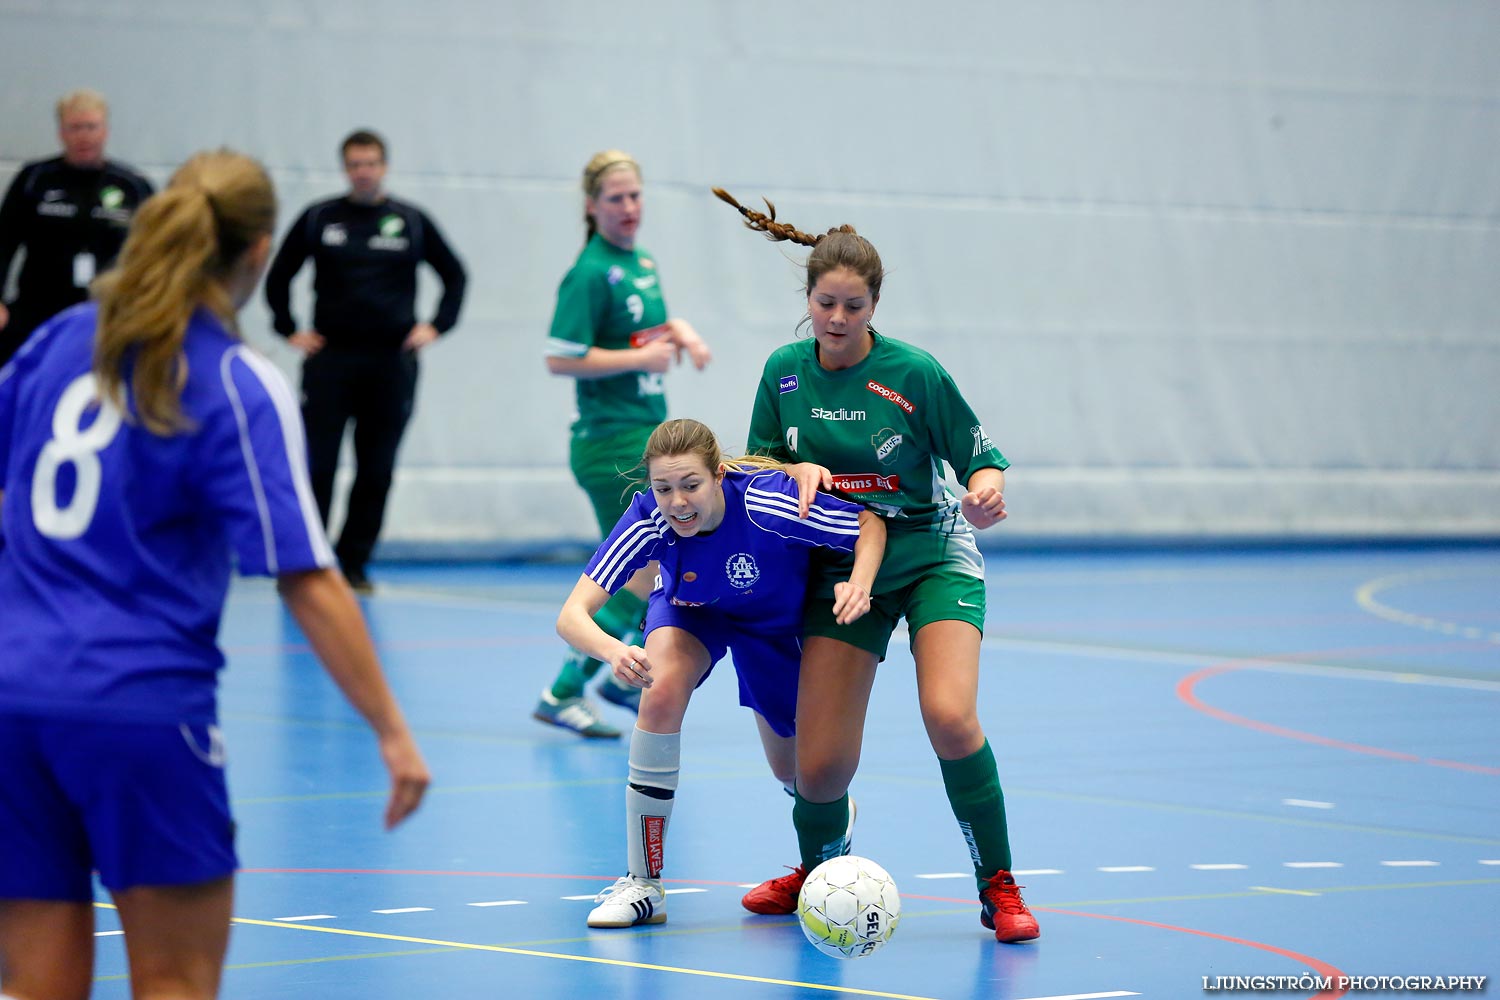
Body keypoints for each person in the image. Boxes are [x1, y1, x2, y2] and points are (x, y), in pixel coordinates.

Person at [0, 149, 430, 1000]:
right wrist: (391, 730)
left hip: (11, 703)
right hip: (140, 710)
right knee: (176, 982)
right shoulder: (232, 380)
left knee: (35, 986)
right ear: (259, 252)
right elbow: (305, 575)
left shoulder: (55, 340)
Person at [713, 188, 1041, 943]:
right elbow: (757, 465)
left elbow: (980, 459)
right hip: (837, 569)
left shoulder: (915, 373)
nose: (836, 318)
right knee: (821, 769)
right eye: (825, 302)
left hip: (930, 555)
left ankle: (998, 883)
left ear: (873, 307)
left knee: (950, 717)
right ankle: (820, 871)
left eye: (853, 306)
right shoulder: (784, 373)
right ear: (808, 298)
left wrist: (987, 492)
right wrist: (783, 476)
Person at [556, 418, 884, 927]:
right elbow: (572, 616)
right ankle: (644, 885)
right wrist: (611, 650)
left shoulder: (770, 502)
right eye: (664, 488)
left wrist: (859, 583)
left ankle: (829, 814)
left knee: (793, 772)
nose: (678, 502)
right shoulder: (649, 519)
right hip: (692, 611)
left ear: (719, 475)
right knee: (659, 691)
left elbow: (869, 526)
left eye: (691, 485)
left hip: (772, 627)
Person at [535, 150, 713, 739]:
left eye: (635, 195)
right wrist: (640, 358)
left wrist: (678, 332)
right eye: (616, 198)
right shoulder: (589, 273)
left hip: (643, 437)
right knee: (644, 567)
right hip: (611, 442)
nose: (629, 207)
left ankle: (613, 680)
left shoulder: (643, 263)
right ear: (592, 207)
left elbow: (644, 328)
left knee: (658, 564)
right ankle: (564, 690)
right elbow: (561, 356)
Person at [264, 128, 467, 593]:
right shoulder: (320, 218)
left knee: (376, 468)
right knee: (319, 464)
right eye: (355, 164)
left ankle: (352, 564)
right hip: (331, 359)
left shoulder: (410, 221)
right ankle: (307, 564)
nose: (363, 172)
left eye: (371, 163)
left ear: (384, 166)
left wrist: (435, 326)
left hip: (390, 364)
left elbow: (454, 275)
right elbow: (279, 274)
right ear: (345, 168)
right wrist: (288, 328)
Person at [0, 88, 154, 366]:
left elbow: (157, 252)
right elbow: (3, 242)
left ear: (105, 130)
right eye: (74, 128)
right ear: (61, 133)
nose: (84, 136)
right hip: (39, 308)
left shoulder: (133, 186)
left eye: (91, 127)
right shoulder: (34, 179)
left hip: (109, 312)